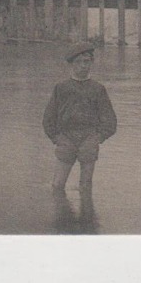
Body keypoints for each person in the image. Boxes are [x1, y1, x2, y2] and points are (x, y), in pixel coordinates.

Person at [42, 40, 118, 194]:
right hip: (66, 139)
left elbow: (110, 121)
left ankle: (87, 216)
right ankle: (61, 216)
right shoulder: (61, 88)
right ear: (71, 64)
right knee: (57, 185)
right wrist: (56, 138)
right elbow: (48, 119)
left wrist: (98, 137)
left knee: (85, 187)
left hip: (89, 139)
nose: (84, 65)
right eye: (79, 62)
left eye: (87, 61)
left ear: (92, 63)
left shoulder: (98, 89)